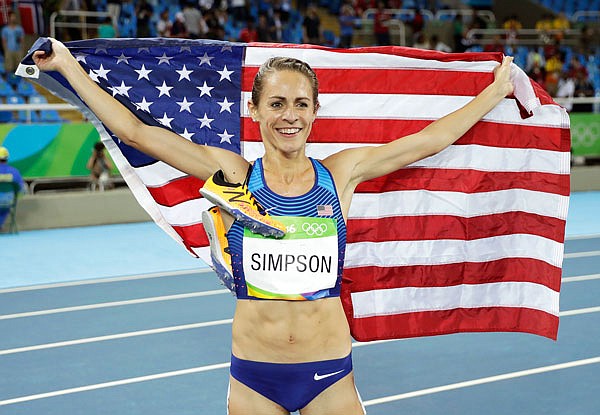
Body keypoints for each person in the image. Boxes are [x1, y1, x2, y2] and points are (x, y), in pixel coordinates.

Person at [33, 37, 514, 414]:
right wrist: (69, 68)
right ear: (255, 110)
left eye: (302, 104)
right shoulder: (234, 175)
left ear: (316, 112)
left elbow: (430, 140)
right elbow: (138, 132)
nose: (290, 116)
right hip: (254, 378)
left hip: (329, 373)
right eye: (278, 103)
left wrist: (494, 91)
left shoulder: (339, 174)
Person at [0, 146, 25, 231]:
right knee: (4, 208)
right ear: (7, 158)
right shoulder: (15, 171)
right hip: (9, 202)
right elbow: (22, 189)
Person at [1, 11, 25, 76]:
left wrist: (22, 50)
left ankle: (20, 83)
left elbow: (22, 40)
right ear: (9, 18)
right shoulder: (5, 29)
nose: (13, 18)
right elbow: (4, 40)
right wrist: (6, 50)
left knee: (19, 68)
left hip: (18, 50)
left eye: (14, 17)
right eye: (12, 17)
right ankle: (9, 82)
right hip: (9, 50)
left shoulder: (19, 29)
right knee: (9, 68)